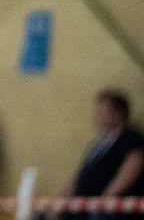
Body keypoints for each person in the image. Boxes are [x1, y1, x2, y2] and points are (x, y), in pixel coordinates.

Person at [47, 89, 144, 220]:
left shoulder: (130, 138)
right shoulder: (98, 146)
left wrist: (105, 200)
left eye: (103, 111)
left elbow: (132, 167)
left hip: (108, 210)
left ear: (119, 113)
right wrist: (59, 204)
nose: (98, 115)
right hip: (82, 207)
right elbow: (78, 180)